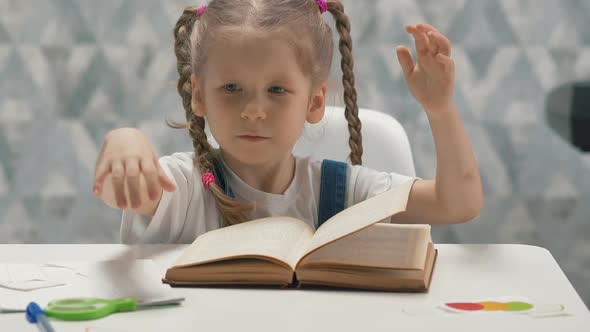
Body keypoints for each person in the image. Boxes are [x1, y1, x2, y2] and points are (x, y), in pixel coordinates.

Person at [93, 0, 483, 244]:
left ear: (314, 102)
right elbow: (123, 191)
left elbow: (457, 204)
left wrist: (440, 109)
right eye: (231, 87)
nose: (254, 110)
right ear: (199, 96)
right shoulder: (184, 187)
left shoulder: (342, 192)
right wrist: (123, 142)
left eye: (277, 90)